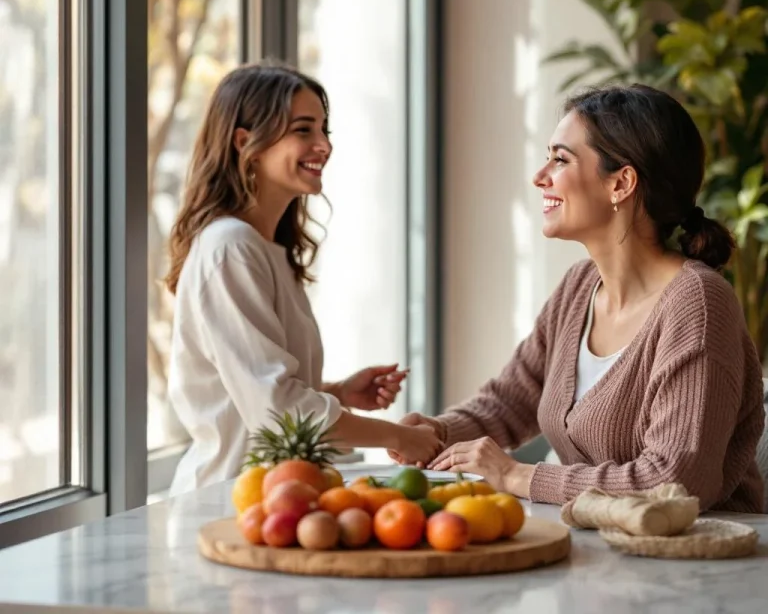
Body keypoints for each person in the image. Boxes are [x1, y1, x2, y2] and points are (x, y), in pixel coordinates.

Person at [394, 84, 765, 512]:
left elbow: (675, 481)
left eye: (560, 159)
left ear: (622, 183)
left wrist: (519, 475)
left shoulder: (697, 305)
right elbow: (511, 400)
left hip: (700, 567)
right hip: (602, 556)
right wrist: (436, 433)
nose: (540, 176)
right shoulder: (578, 288)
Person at [165, 62, 442, 495]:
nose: (324, 145)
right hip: (228, 503)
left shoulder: (260, 248)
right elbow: (277, 410)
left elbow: (250, 390)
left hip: (274, 497)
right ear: (246, 143)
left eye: (324, 129)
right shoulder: (230, 247)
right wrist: (398, 436)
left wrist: (338, 392)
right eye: (303, 130)